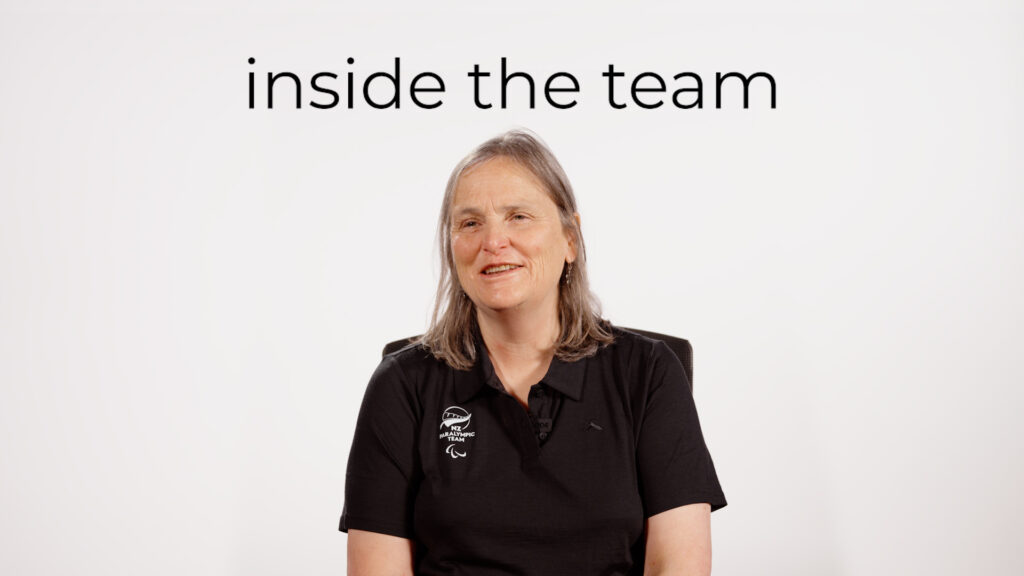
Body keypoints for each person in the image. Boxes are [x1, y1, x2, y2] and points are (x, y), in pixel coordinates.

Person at [339, 129, 726, 575]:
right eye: (469, 223)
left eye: (518, 216)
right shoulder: (402, 385)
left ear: (570, 241)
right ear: (451, 248)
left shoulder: (649, 372)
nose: (493, 241)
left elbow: (678, 567)